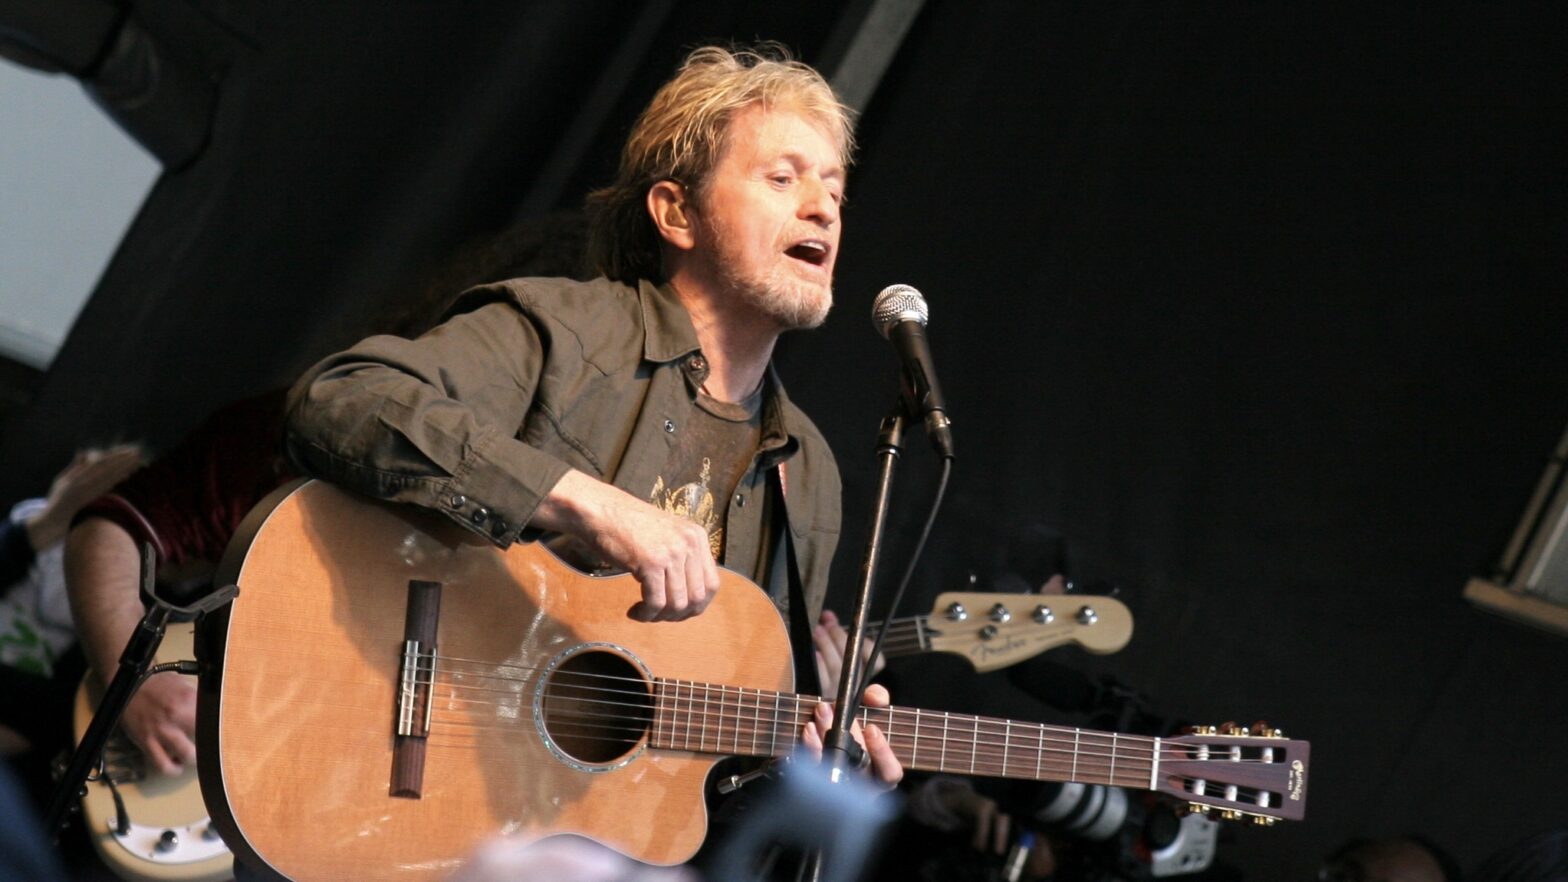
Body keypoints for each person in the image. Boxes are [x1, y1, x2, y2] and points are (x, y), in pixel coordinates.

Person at [284, 38, 901, 802]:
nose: (822, 209)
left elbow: (715, 752)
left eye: (835, 193)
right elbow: (341, 398)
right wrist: (578, 498)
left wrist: (810, 751)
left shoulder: (804, 473)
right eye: (782, 178)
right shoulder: (564, 333)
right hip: (398, 762)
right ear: (678, 212)